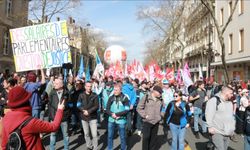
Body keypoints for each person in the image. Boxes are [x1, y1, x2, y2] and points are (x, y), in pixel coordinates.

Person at [205, 86, 236, 150]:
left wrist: (232, 129)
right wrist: (210, 127)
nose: (232, 95)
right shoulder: (214, 100)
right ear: (226, 92)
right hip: (217, 132)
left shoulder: (230, 103)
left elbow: (231, 117)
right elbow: (209, 114)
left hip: (227, 132)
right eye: (231, 93)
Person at [137, 85, 163, 150]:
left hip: (156, 122)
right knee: (146, 138)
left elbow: (162, 109)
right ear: (154, 91)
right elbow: (139, 108)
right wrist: (145, 115)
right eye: (160, 92)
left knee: (153, 139)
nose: (161, 94)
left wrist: (160, 116)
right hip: (147, 122)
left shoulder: (161, 99)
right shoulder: (146, 97)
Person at [106, 83, 130, 150]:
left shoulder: (125, 98)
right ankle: (110, 148)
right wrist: (112, 114)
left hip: (121, 120)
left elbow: (127, 110)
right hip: (111, 119)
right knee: (110, 136)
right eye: (114, 90)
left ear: (120, 90)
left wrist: (117, 115)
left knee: (122, 137)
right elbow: (107, 109)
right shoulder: (111, 97)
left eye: (116, 90)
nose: (115, 91)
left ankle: (123, 148)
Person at [48, 78, 70, 150]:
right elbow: (50, 105)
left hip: (64, 118)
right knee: (53, 134)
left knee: (65, 135)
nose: (54, 85)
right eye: (54, 83)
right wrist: (51, 116)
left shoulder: (67, 93)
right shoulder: (52, 92)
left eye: (56, 84)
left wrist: (64, 106)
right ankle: (52, 148)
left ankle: (66, 148)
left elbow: (70, 104)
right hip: (54, 118)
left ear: (61, 85)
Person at [77, 81, 99, 150]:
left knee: (94, 135)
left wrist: (88, 111)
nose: (89, 88)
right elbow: (78, 104)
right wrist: (83, 110)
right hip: (84, 117)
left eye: (90, 86)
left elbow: (96, 106)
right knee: (86, 134)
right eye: (88, 86)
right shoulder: (81, 95)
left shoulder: (95, 95)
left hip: (93, 117)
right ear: (85, 87)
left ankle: (95, 148)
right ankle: (89, 146)